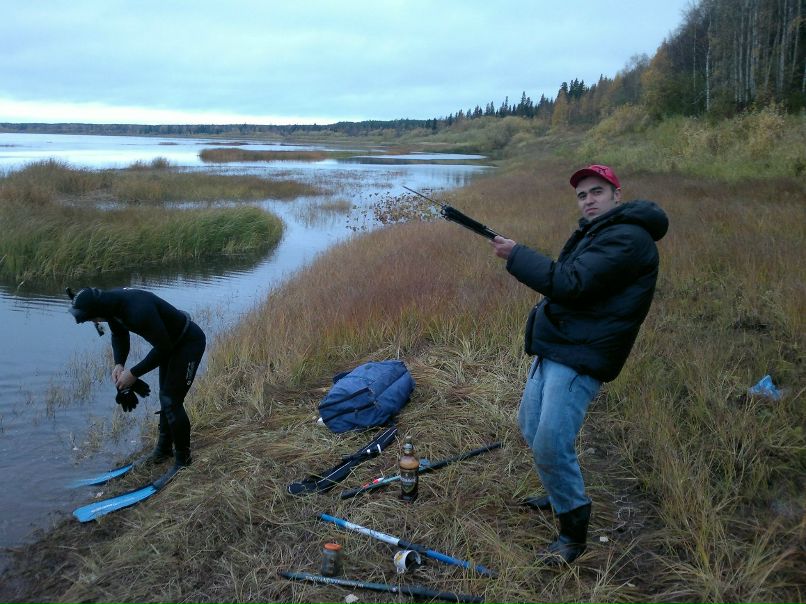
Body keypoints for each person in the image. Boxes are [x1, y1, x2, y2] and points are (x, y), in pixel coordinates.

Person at [490, 164, 668, 565]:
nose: (588, 200)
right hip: (560, 343)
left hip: (582, 353)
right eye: (582, 194)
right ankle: (558, 494)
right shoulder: (599, 232)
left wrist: (516, 254)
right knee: (530, 424)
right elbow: (573, 283)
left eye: (597, 192)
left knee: (552, 440)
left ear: (616, 194)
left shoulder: (627, 238)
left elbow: (569, 284)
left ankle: (573, 531)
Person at [68, 287, 206, 468]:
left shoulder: (137, 311)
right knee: (166, 399)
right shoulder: (112, 306)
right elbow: (119, 334)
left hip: (187, 344)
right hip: (170, 344)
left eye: (92, 318)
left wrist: (133, 374)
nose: (94, 322)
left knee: (171, 401)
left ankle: (183, 461)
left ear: (97, 310)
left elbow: (163, 348)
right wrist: (119, 363)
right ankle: (163, 451)